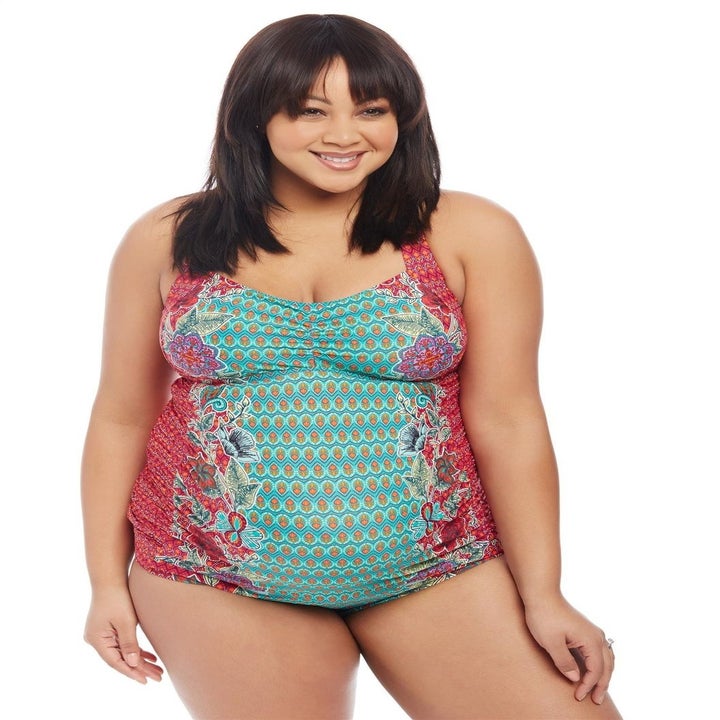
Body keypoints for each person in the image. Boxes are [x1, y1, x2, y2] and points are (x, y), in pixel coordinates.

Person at [82, 13, 622, 720]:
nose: (345, 134)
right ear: (255, 117)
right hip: (209, 574)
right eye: (311, 110)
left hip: (438, 567)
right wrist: (104, 585)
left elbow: (509, 420)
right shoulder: (170, 237)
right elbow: (122, 417)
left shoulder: (471, 231)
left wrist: (544, 593)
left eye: (371, 110)